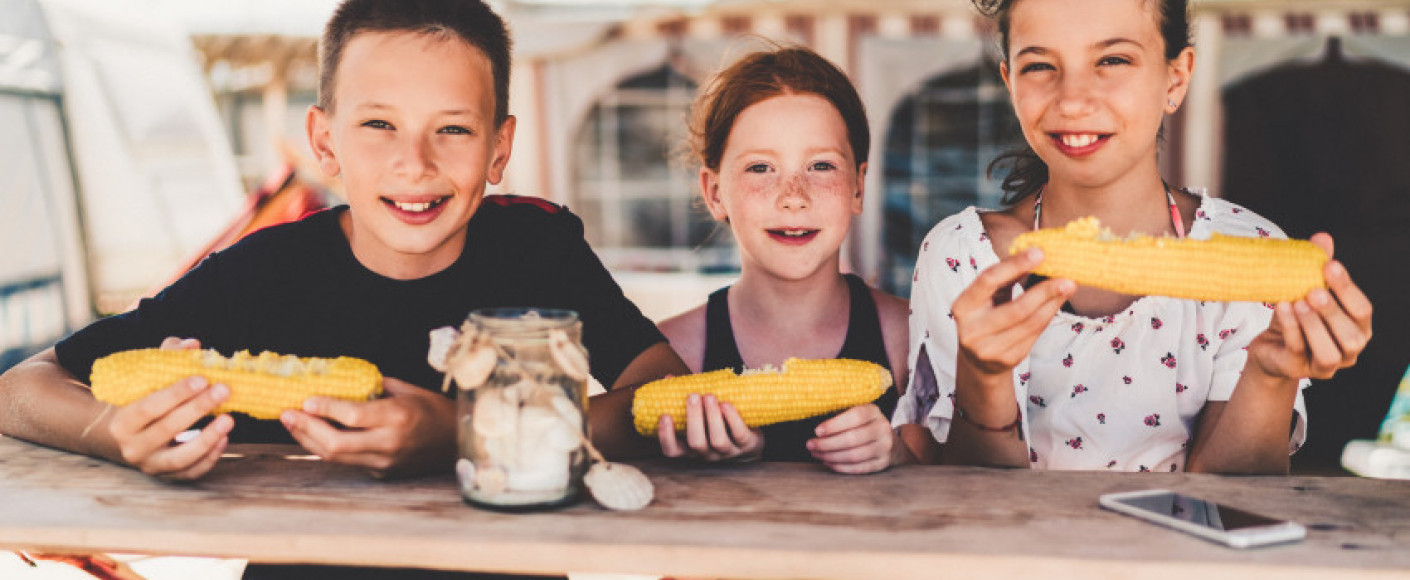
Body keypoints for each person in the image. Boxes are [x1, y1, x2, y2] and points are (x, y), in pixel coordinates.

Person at [0, 0, 687, 482]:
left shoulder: (538, 249)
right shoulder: (263, 271)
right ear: (324, 142)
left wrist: (469, 430)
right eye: (379, 126)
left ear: (498, 149)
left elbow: (661, 389)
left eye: (452, 129)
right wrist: (115, 435)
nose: (414, 163)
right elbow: (20, 388)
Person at [894, 0, 1373, 473]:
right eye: (1040, 65)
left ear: (1176, 77)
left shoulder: (1255, 248)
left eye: (1113, 60)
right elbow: (966, 498)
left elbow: (1233, 501)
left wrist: (1270, 374)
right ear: (1010, 83)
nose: (1073, 100)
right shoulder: (964, 256)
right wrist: (984, 376)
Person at [656, 46, 931, 473]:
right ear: (714, 193)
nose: (793, 198)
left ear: (858, 187)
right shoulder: (671, 353)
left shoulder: (911, 342)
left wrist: (898, 456)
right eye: (761, 169)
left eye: (821, 166)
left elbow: (957, 493)